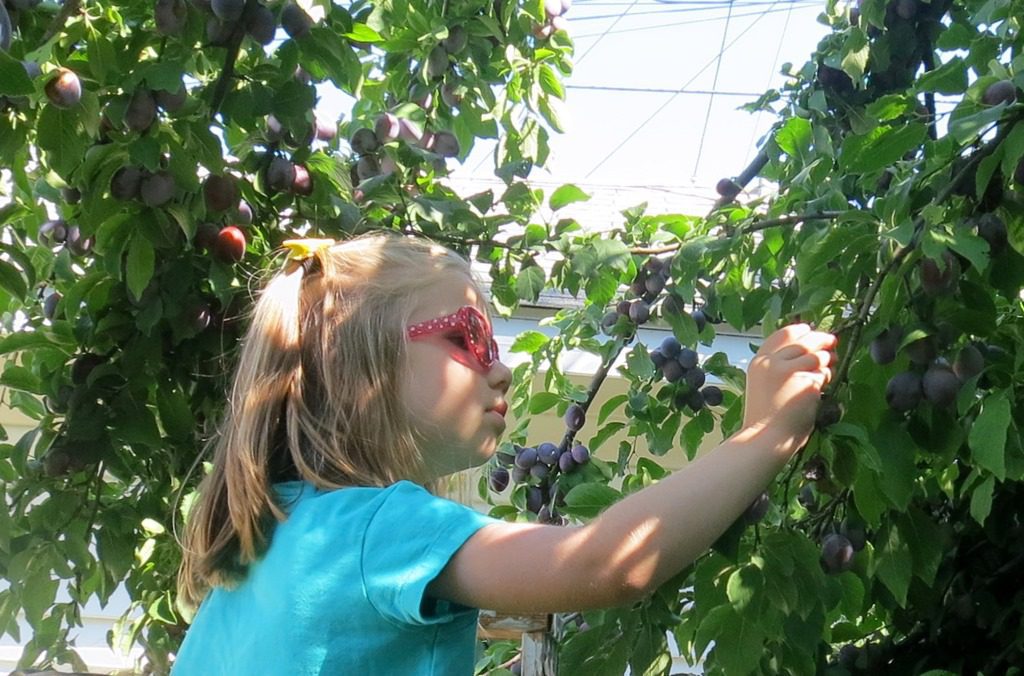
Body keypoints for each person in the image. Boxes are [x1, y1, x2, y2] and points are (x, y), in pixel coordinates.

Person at [172, 232, 836, 675]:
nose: (501, 369)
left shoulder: (261, 547)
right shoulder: (379, 529)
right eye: (467, 337)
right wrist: (768, 432)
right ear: (353, 361)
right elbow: (606, 564)